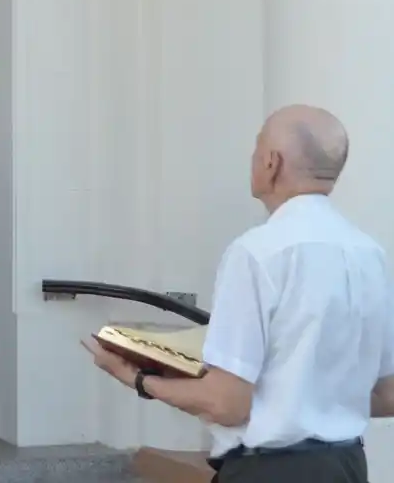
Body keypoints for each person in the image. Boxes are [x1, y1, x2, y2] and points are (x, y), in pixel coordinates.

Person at [83, 104, 394, 483]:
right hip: (347, 466)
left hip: (273, 471)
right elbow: (388, 395)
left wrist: (137, 379)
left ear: (271, 162)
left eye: (256, 147)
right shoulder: (369, 254)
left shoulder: (258, 252)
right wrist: (311, 398)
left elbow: (227, 404)